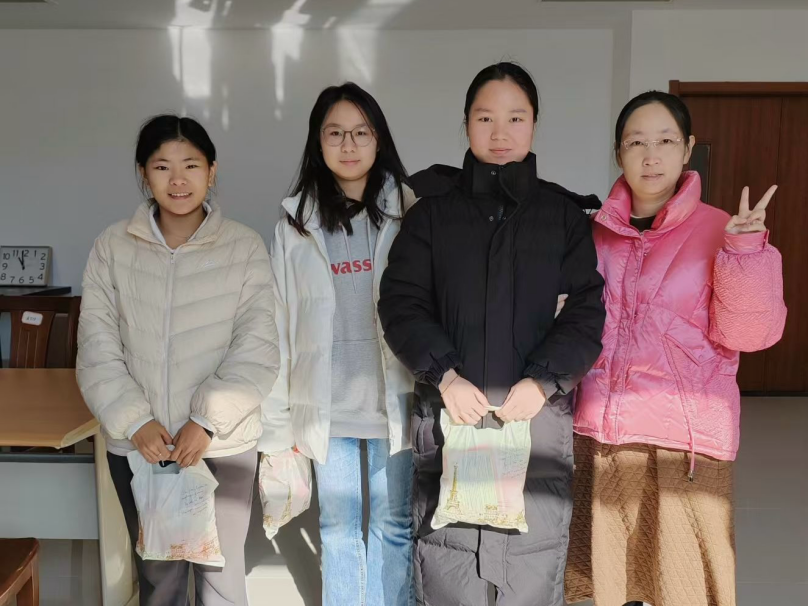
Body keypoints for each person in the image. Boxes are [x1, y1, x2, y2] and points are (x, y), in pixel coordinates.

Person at [378, 62, 606, 606]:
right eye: (485, 118)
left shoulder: (563, 217)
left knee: (532, 567)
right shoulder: (432, 214)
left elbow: (586, 309)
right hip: (453, 414)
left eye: (515, 118)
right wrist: (445, 377)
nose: (500, 132)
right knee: (449, 567)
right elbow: (401, 302)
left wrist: (543, 381)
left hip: (534, 420)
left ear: (534, 125)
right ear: (465, 123)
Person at [565, 91, 787, 606]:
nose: (651, 156)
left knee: (683, 585)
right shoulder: (591, 234)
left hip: (685, 439)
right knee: (609, 582)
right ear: (618, 153)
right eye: (635, 143)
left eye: (665, 141)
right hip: (602, 431)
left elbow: (750, 335)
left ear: (687, 149)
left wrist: (745, 250)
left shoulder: (722, 229)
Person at [76, 114, 279, 606]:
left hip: (222, 443)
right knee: (158, 580)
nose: (178, 179)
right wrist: (136, 422)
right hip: (141, 447)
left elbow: (258, 346)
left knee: (220, 580)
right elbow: (96, 347)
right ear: (143, 174)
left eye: (191, 165)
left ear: (212, 171)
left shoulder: (244, 247)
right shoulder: (112, 247)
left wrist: (205, 422)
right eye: (162, 166)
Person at [262, 82, 416, 606]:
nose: (348, 145)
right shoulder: (295, 224)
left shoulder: (411, 211)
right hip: (325, 404)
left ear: (379, 139)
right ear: (317, 142)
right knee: (337, 528)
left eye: (360, 133)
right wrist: (278, 422)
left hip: (395, 399)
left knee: (394, 525)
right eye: (335, 133)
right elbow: (279, 324)